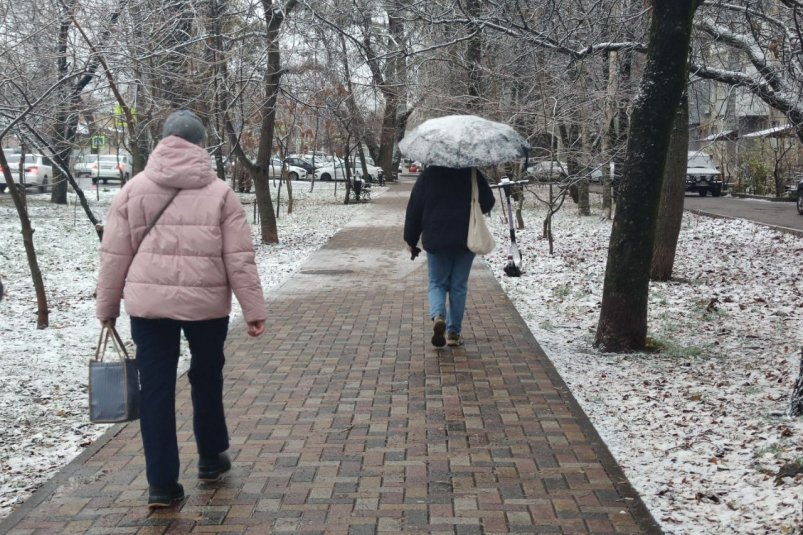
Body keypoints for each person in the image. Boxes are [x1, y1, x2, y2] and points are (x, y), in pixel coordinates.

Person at [95, 110, 267, 508]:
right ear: (200, 145)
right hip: (206, 308)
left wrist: (107, 308)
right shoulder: (220, 193)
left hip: (149, 310)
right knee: (207, 379)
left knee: (155, 391)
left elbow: (113, 255)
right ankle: (210, 458)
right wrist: (253, 308)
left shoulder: (132, 190)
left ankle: (162, 485)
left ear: (163, 141)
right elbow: (239, 257)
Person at [403, 165, 495, 347]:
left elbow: (414, 209)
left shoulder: (428, 175)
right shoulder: (471, 173)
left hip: (436, 238)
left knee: (437, 282)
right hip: (465, 237)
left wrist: (411, 240)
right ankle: (453, 333)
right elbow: (488, 202)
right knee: (458, 286)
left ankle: (438, 316)